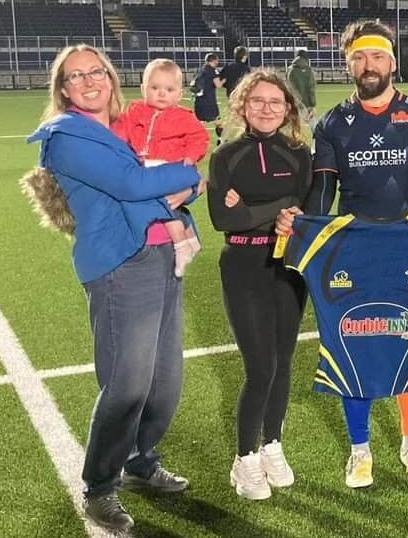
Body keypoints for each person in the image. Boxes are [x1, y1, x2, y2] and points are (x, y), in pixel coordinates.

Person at [273, 19, 408, 489]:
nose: (368, 65)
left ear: (392, 62)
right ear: (348, 66)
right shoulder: (333, 123)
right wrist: (305, 224)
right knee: (352, 337)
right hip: (354, 247)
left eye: (377, 56)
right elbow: (323, 188)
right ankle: (359, 452)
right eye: (359, 58)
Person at [25, 44, 200, 532]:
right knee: (127, 384)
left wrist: (184, 186)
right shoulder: (66, 136)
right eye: (75, 76)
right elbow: (131, 184)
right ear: (63, 89)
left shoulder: (123, 126)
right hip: (120, 265)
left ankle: (140, 459)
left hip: (163, 255)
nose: (88, 81)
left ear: (110, 77)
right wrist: (193, 175)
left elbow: (160, 184)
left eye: (96, 71)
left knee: (165, 384)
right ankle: (100, 487)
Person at [206, 69, 312, 501]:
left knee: (283, 362)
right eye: (258, 101)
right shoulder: (225, 156)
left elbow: (307, 208)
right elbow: (223, 220)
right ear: (242, 106)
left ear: (287, 108)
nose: (267, 109)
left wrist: (253, 206)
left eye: (275, 102)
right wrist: (282, 205)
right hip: (243, 266)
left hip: (288, 267)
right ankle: (244, 458)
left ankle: (272, 445)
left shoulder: (299, 154)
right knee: (260, 367)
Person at [112, 58, 210, 277]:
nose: (161, 94)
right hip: (147, 164)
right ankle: (190, 236)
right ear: (143, 89)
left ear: (179, 93)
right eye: (154, 88)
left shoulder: (183, 117)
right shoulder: (135, 111)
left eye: (169, 89)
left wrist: (192, 155)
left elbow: (199, 137)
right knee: (166, 202)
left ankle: (180, 244)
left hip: (173, 165)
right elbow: (122, 130)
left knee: (162, 201)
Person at [192, 52, 225, 142]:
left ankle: (198, 141)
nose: (218, 62)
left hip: (198, 100)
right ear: (214, 60)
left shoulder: (200, 69)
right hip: (209, 100)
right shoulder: (212, 70)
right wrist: (224, 80)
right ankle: (221, 139)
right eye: (217, 61)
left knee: (200, 122)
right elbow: (218, 85)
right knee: (218, 121)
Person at [287, 49, 317, 126]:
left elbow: (288, 87)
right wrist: (312, 105)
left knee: (294, 129)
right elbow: (311, 89)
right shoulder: (308, 70)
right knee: (313, 127)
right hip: (306, 104)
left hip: (292, 104)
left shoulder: (290, 70)